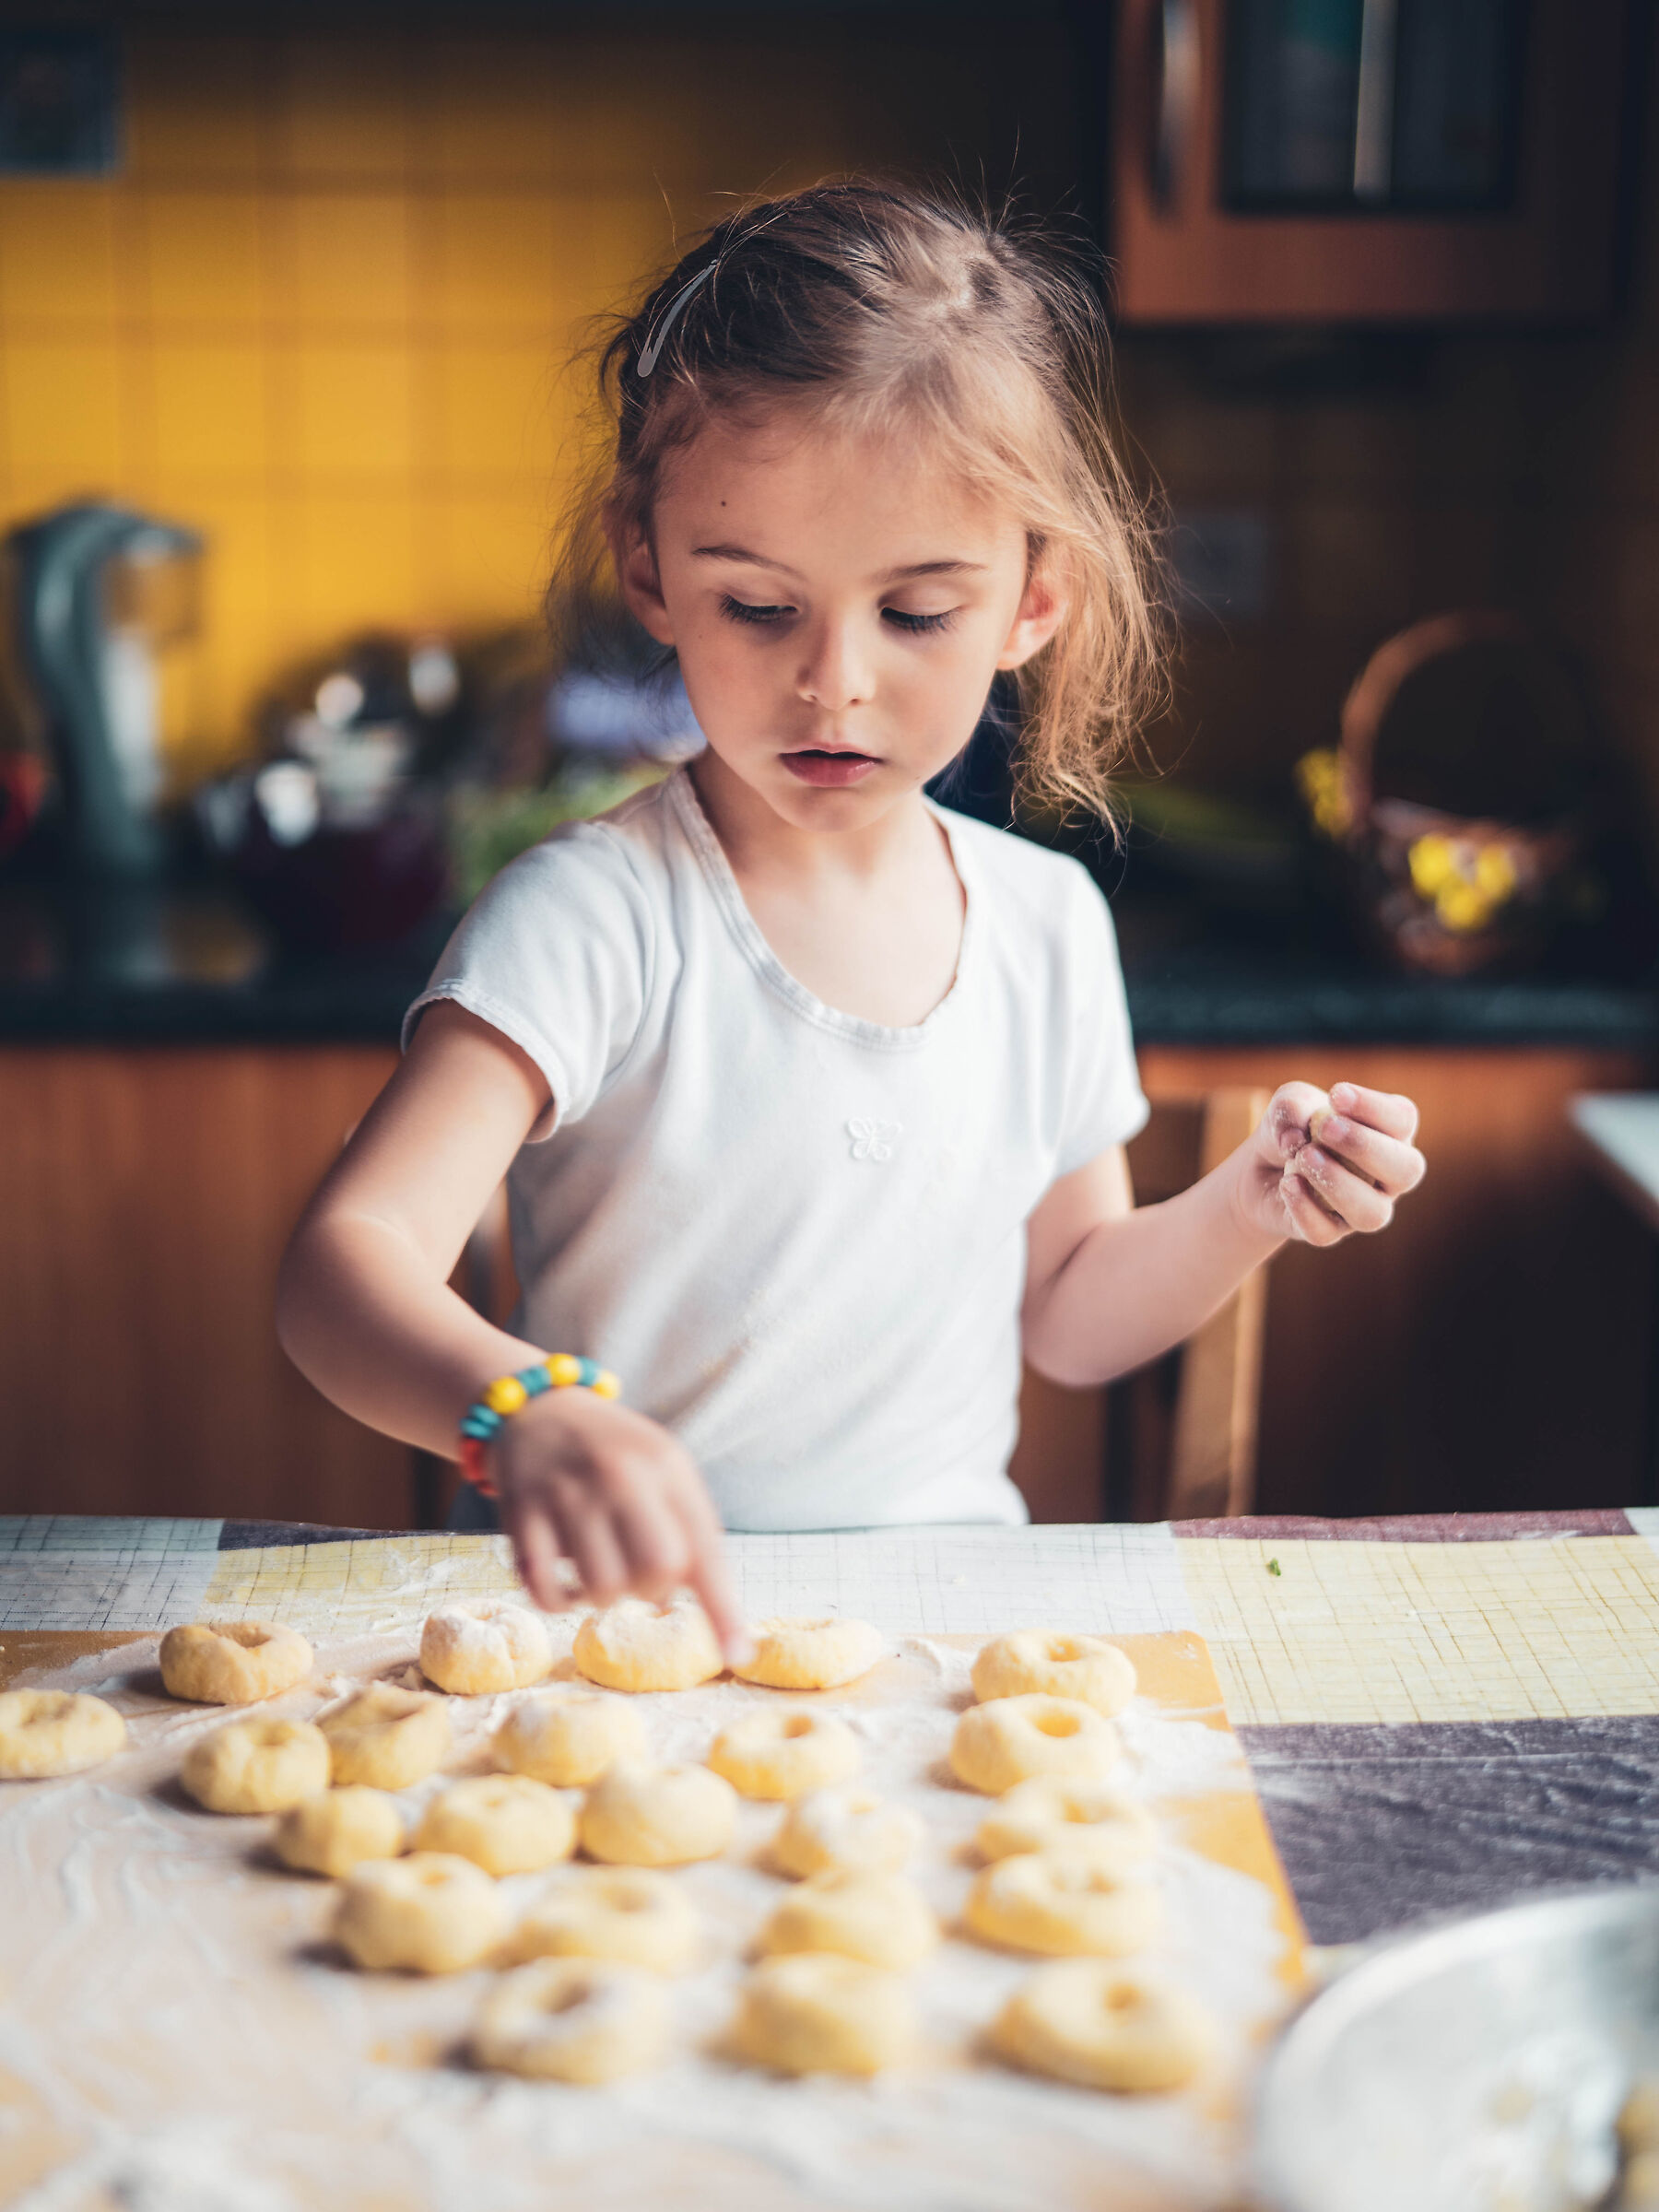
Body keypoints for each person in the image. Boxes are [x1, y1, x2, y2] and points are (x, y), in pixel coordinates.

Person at [276, 181, 1425, 1666]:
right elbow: (341, 1269)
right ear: (652, 575)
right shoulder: (594, 919)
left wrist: (1252, 1207)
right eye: (759, 608)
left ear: (1032, 596)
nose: (836, 684)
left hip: (943, 1637)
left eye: (918, 613)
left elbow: (1070, 1316)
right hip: (616, 1646)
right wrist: (520, 1411)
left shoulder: (1046, 923)